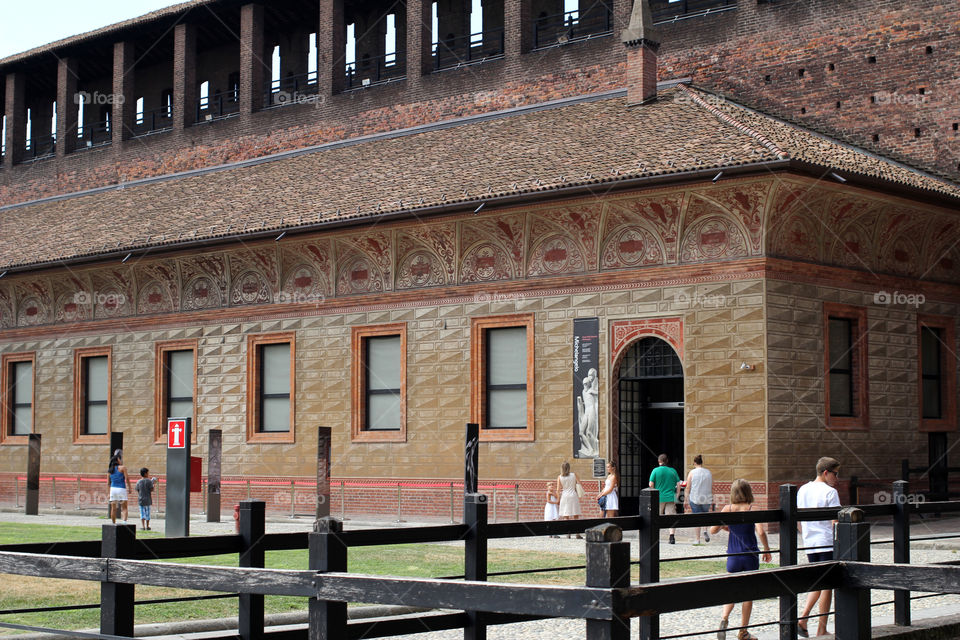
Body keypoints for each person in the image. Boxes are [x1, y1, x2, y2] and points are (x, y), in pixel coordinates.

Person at [710, 479, 771, 640]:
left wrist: (725, 526)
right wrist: (767, 549)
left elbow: (713, 530)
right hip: (750, 556)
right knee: (748, 594)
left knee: (732, 590)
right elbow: (761, 532)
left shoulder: (727, 508)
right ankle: (743, 631)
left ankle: (724, 618)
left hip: (733, 555)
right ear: (748, 492)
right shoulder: (753, 508)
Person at [796, 457, 841, 637]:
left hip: (810, 542)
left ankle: (804, 619)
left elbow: (798, 519)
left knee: (817, 582)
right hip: (826, 541)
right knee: (826, 586)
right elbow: (836, 522)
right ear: (825, 473)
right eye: (835, 474)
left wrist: (805, 535)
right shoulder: (830, 492)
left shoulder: (803, 490)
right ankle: (820, 628)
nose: (837, 478)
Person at [649, 453, 681, 543]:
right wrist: (676, 497)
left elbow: (651, 484)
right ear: (667, 461)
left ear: (659, 461)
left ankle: (655, 537)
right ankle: (671, 537)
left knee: (656, 517)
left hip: (658, 498)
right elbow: (679, 485)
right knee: (671, 517)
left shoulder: (655, 470)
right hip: (671, 497)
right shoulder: (673, 471)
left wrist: (653, 493)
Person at [685, 454, 714, 544]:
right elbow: (711, 486)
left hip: (695, 498)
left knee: (697, 518)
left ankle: (697, 539)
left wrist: (685, 499)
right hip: (706, 498)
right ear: (702, 462)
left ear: (694, 463)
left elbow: (688, 487)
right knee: (705, 515)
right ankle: (705, 530)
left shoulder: (692, 473)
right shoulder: (708, 472)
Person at [556, 461, 582, 539]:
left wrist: (558, 499)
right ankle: (577, 533)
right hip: (573, 495)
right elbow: (579, 483)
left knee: (566, 515)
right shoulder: (574, 475)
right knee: (575, 515)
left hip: (565, 496)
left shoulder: (559, 477)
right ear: (569, 467)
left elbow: (558, 489)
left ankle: (568, 533)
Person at [107, 449, 129, 524]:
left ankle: (113, 523)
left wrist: (108, 493)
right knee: (124, 507)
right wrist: (129, 488)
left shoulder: (110, 471)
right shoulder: (123, 468)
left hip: (113, 489)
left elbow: (108, 483)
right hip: (121, 488)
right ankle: (124, 522)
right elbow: (127, 478)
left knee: (113, 509)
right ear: (118, 460)